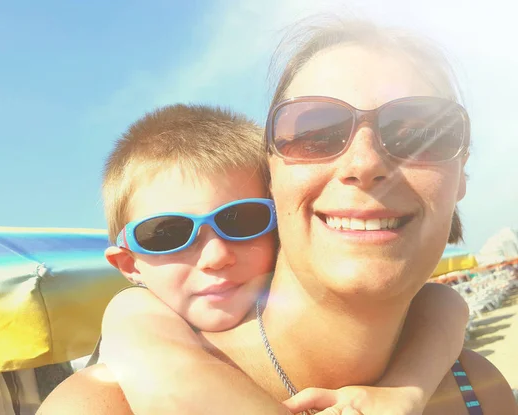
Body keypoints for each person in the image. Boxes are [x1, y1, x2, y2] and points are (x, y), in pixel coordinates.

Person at [38, 17, 518, 415]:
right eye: (315, 132)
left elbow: (443, 306)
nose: (366, 163)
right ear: (272, 178)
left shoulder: (478, 387)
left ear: (460, 175)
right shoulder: (106, 404)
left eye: (420, 132)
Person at [95, 103, 466, 415]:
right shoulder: (135, 322)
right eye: (167, 234)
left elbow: (443, 301)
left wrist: (407, 391)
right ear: (129, 264)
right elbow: (169, 380)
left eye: (242, 220)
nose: (215, 256)